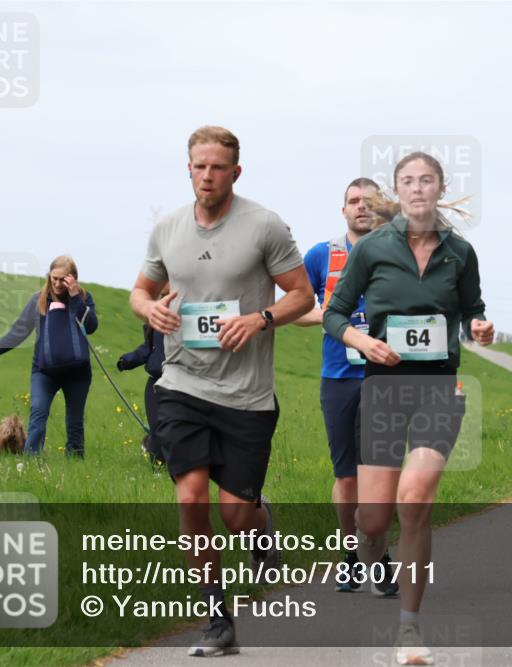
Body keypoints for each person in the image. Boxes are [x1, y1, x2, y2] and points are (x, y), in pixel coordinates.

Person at [130, 126, 313, 657]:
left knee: (235, 515)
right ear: (187, 169)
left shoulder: (264, 226)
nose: (207, 176)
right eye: (198, 166)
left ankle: (261, 520)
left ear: (236, 172)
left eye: (217, 167)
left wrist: (261, 319)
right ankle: (216, 617)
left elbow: (301, 295)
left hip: (247, 394)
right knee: (189, 496)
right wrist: (151, 309)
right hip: (181, 382)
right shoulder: (166, 228)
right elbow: (140, 291)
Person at [323, 151, 494, 666]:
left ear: (440, 189)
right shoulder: (374, 248)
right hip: (382, 389)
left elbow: (472, 312)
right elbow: (333, 315)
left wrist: (480, 328)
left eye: (427, 181)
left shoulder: (460, 252)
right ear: (398, 192)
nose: (418, 189)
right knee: (372, 521)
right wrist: (364, 341)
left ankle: (410, 631)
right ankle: (376, 563)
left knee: (414, 501)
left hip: (439, 388)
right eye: (408, 181)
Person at [296, 177, 398, 596]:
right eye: (353, 201)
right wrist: (332, 318)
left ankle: (380, 557)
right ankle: (352, 555)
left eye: (368, 201)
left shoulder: (399, 254)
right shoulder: (322, 255)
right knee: (347, 479)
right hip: (338, 376)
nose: (361, 207)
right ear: (343, 210)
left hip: (386, 379)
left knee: (378, 476)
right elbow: (294, 307)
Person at [0, 255, 98, 457]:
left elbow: (91, 327)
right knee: (38, 414)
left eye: (62, 279)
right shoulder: (38, 301)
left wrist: (74, 298)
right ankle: (30, 462)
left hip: (77, 373)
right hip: (44, 371)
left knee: (74, 422)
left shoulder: (83, 298)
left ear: (72, 278)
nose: (56, 284)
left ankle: (75, 463)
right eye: (53, 278)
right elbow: (16, 334)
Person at [118, 283, 169, 465]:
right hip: (155, 383)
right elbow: (148, 348)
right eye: (161, 294)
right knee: (156, 428)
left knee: (177, 428)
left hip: (180, 382)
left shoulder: (186, 318)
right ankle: (157, 467)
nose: (165, 299)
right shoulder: (153, 318)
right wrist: (127, 360)